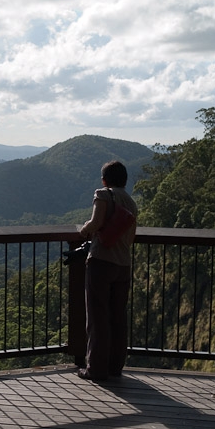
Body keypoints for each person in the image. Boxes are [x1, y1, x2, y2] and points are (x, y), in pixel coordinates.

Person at [77, 160, 138, 380]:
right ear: (124, 180)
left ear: (105, 179)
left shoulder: (103, 194)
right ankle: (115, 367)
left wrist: (83, 230)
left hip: (102, 261)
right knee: (118, 317)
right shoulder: (131, 202)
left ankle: (96, 368)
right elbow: (130, 238)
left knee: (97, 316)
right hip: (123, 264)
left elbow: (95, 223)